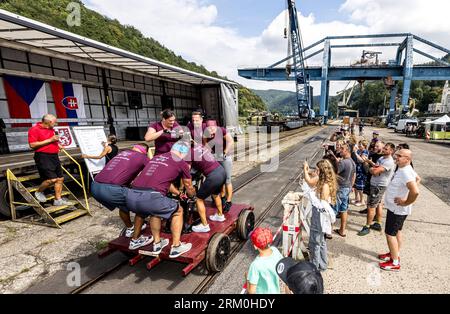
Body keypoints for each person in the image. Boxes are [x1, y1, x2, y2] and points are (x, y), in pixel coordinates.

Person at [126, 142, 196, 256]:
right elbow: (188, 185)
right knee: (178, 211)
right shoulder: (181, 162)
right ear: (183, 153)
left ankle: (157, 244)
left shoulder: (156, 157)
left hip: (131, 196)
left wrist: (178, 193)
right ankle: (176, 246)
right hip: (151, 197)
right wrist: (192, 196)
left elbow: (163, 181)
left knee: (156, 212)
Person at [90, 144, 150, 237]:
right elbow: (153, 172)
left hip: (94, 186)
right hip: (111, 189)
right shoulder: (143, 157)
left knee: (124, 205)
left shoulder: (123, 153)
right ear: (145, 151)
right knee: (141, 205)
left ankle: (130, 228)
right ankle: (136, 239)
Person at [379, 149, 419, 271]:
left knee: (390, 234)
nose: (396, 157)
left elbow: (415, 191)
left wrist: (406, 201)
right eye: (396, 155)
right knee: (397, 232)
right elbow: (418, 179)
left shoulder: (406, 172)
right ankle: (394, 253)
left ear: (407, 159)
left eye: (399, 156)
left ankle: (395, 262)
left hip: (398, 210)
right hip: (396, 209)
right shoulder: (404, 169)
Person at [28, 114, 71, 206]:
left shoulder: (51, 129)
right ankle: (39, 192)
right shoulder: (34, 129)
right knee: (51, 179)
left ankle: (58, 200)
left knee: (60, 178)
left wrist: (59, 145)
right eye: (55, 122)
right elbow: (32, 145)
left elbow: (53, 140)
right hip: (43, 156)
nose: (56, 124)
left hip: (54, 156)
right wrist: (50, 140)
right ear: (49, 122)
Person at [303, 159, 337, 271]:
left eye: (317, 169)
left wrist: (305, 169)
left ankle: (314, 266)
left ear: (321, 172)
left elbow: (322, 205)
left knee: (315, 241)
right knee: (321, 241)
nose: (315, 171)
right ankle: (323, 264)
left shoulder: (324, 185)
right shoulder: (325, 181)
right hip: (320, 214)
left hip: (319, 215)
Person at [358, 142, 396, 236]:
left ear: (391, 151)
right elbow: (375, 167)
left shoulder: (389, 161)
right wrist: (371, 164)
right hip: (375, 184)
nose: (383, 150)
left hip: (379, 186)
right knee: (378, 204)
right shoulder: (382, 158)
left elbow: (375, 171)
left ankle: (367, 226)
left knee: (371, 206)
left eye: (386, 149)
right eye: (384, 148)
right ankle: (378, 223)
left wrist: (371, 168)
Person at [188, 143, 227, 233]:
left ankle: (204, 225)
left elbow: (187, 170)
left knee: (198, 199)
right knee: (215, 194)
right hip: (221, 170)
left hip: (213, 176)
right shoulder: (200, 145)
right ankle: (220, 215)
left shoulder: (189, 152)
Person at [203, 120, 234, 212]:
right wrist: (210, 153)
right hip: (214, 157)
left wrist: (224, 152)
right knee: (219, 179)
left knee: (227, 180)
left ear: (216, 127)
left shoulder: (222, 131)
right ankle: (222, 196)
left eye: (212, 128)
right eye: (208, 128)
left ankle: (229, 201)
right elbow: (205, 144)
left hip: (224, 157)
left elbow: (230, 141)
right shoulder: (206, 133)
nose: (210, 130)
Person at [246, 227, 283, 294]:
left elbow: (251, 291)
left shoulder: (255, 265)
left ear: (255, 246)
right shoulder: (275, 251)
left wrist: (247, 278)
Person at [331, 143, 356, 237]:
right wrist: (351, 187)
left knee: (333, 209)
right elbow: (354, 176)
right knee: (344, 209)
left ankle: (329, 231)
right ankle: (342, 230)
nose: (340, 150)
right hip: (347, 187)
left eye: (342, 149)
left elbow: (334, 174)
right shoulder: (352, 162)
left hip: (340, 188)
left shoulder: (343, 162)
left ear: (347, 150)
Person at [352, 140, 369, 207]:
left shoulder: (365, 152)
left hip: (362, 171)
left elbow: (362, 160)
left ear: (364, 146)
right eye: (359, 144)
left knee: (360, 187)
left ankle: (362, 201)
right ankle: (357, 198)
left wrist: (355, 152)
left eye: (360, 145)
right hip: (357, 170)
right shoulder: (359, 151)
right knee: (356, 186)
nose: (359, 146)